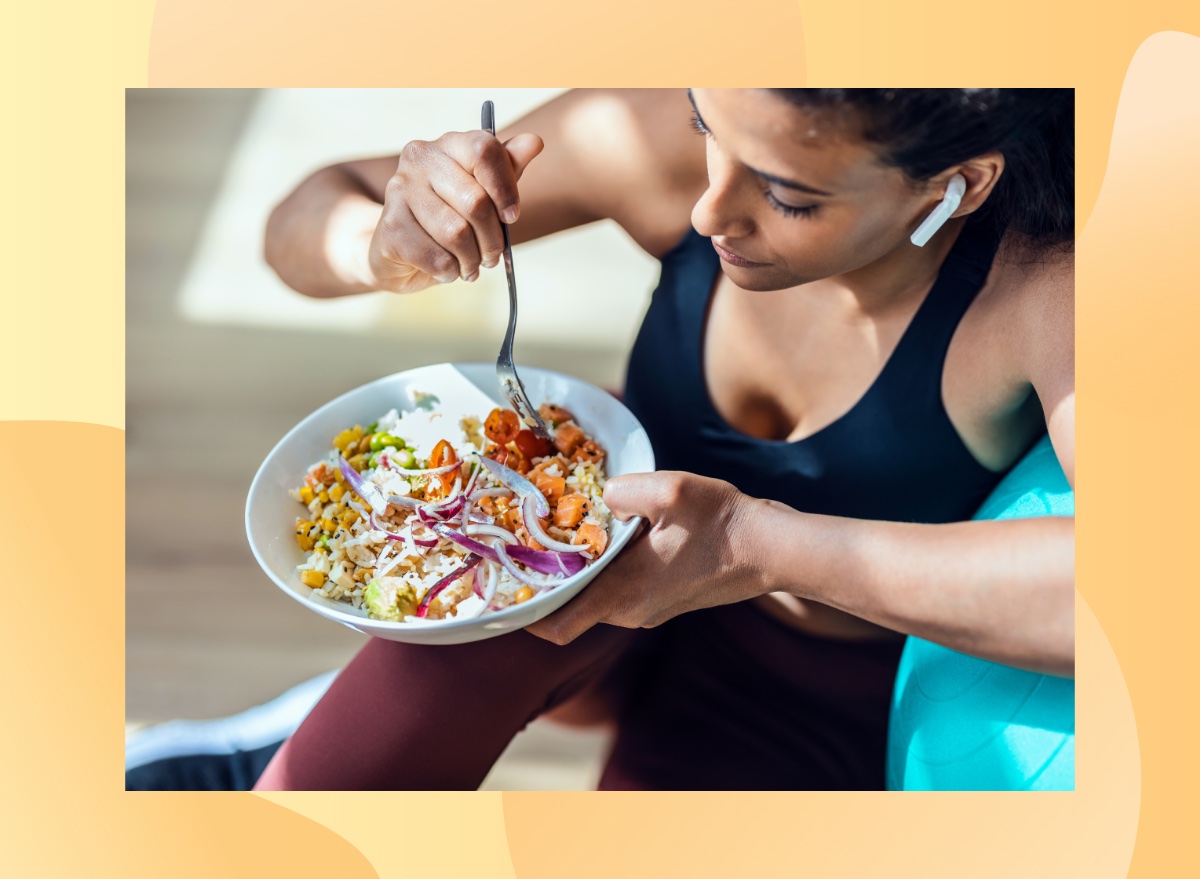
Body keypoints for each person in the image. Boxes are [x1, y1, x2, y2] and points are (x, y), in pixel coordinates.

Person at [229, 88, 1073, 790]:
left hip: (800, 694)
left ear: (955, 183)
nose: (712, 209)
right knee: (325, 779)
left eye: (788, 196)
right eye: (710, 128)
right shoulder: (667, 134)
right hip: (577, 568)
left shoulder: (1045, 289)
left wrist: (758, 547)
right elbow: (294, 224)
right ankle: (265, 744)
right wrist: (383, 242)